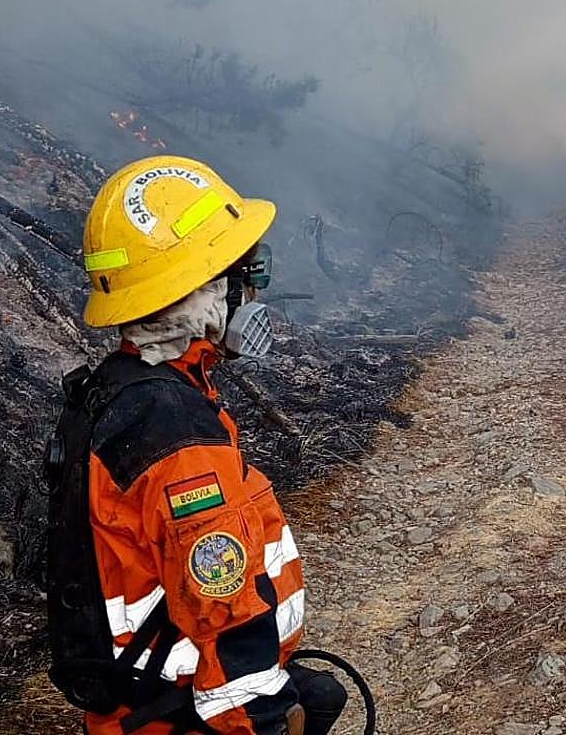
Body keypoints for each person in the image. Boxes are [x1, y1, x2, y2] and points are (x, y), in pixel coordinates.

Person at [44, 156, 346, 734]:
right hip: (183, 713)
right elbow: (223, 611)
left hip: (147, 702)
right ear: (200, 292)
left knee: (321, 693)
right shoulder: (174, 432)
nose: (252, 292)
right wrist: (267, 720)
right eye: (244, 275)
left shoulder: (121, 391)